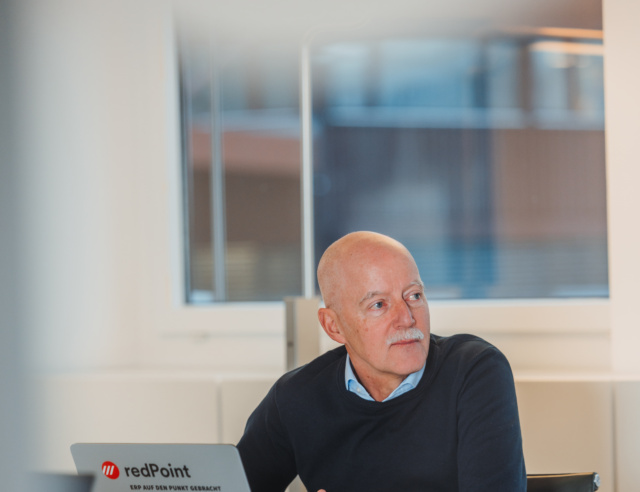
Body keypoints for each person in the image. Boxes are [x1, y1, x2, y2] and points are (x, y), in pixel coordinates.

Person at [237, 231, 526, 492]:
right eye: (378, 305)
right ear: (334, 326)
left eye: (414, 295)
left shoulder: (475, 371)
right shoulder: (295, 396)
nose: (407, 318)